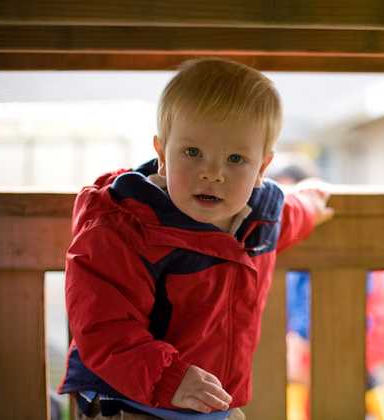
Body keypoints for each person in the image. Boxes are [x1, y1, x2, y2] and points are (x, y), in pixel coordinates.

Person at [57, 58, 333, 420]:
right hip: (131, 401)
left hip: (210, 403)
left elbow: (289, 215)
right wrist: (170, 378)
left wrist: (311, 204)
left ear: (261, 169)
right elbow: (104, 329)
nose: (213, 173)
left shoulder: (260, 219)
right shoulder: (124, 229)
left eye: (235, 158)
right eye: (192, 152)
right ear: (161, 154)